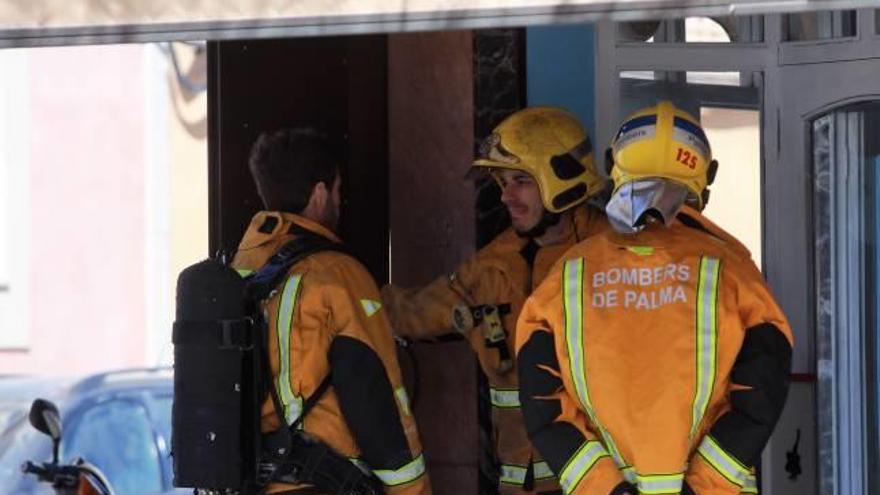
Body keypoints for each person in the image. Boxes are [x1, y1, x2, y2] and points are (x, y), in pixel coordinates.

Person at [516, 101, 793, 495]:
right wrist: (701, 486)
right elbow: (759, 400)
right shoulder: (734, 274)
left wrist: (607, 488)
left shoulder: (565, 277)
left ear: (614, 165)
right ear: (706, 177)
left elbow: (542, 408)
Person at [381, 107, 609, 494]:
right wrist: (349, 297)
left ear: (562, 178)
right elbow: (414, 312)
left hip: (602, 483)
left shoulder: (613, 257)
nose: (506, 196)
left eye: (521, 181)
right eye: (502, 182)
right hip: (522, 483)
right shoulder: (493, 267)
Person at [232, 128, 431, 494]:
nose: (340, 202)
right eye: (339, 190)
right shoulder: (336, 275)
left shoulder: (239, 272)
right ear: (320, 193)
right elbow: (375, 402)